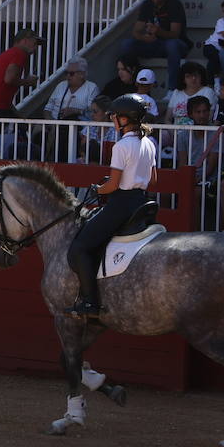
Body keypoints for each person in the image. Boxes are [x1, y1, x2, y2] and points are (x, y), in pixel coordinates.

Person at [64, 93, 159, 318]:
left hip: (122, 204)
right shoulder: (149, 142)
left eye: (115, 116)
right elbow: (153, 181)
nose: (112, 120)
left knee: (79, 248)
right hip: (142, 201)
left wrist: (98, 189)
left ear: (125, 118)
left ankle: (90, 303)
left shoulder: (121, 146)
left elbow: (113, 185)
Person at [118, 0, 191, 89]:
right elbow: (136, 31)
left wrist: (158, 31)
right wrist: (144, 38)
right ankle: (131, 84)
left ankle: (172, 89)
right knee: (126, 44)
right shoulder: (147, 4)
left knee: (172, 45)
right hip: (152, 44)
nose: (156, 1)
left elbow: (175, 34)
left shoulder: (174, 3)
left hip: (174, 44)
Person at [0, 28, 41, 117]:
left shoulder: (11, 53)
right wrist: (28, 82)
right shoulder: (20, 53)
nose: (36, 47)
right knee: (17, 129)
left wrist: (18, 116)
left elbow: (3, 86)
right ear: (25, 41)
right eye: (35, 43)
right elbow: (9, 79)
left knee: (20, 127)